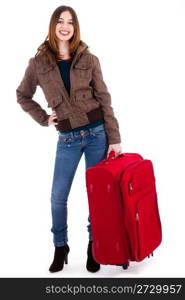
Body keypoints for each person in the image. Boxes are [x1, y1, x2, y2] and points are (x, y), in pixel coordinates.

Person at [16, 5, 122, 273]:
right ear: (53, 26)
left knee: (96, 195)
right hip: (68, 138)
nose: (65, 26)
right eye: (60, 21)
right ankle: (60, 246)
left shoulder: (90, 59)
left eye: (70, 22)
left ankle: (93, 245)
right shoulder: (38, 63)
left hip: (98, 134)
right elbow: (22, 95)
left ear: (75, 27)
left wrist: (114, 137)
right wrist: (43, 118)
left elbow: (105, 99)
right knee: (57, 196)